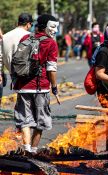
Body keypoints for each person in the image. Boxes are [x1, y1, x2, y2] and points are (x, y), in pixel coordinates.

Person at [13, 14, 59, 153]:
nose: (55, 30)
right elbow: (51, 69)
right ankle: (33, 150)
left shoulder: (25, 38)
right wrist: (55, 87)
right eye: (53, 27)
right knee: (41, 121)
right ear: (44, 27)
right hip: (41, 88)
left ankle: (26, 149)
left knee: (24, 121)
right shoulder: (51, 43)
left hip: (23, 87)